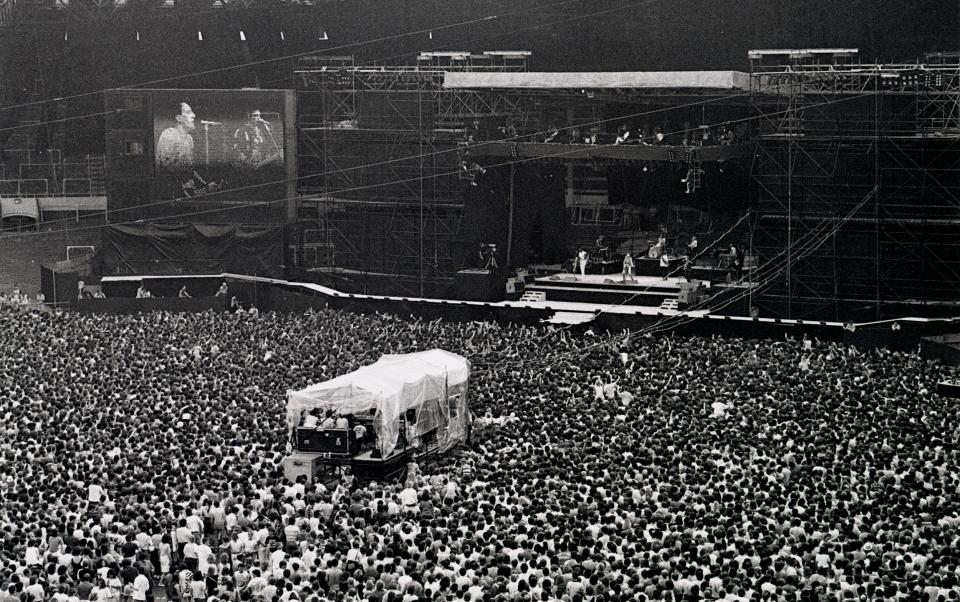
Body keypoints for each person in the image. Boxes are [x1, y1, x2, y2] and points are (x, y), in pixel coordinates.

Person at [156, 102, 197, 169]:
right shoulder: (168, 134)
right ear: (179, 118)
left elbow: (190, 169)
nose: (194, 115)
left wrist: (201, 180)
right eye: (188, 112)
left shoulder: (189, 138)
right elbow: (166, 167)